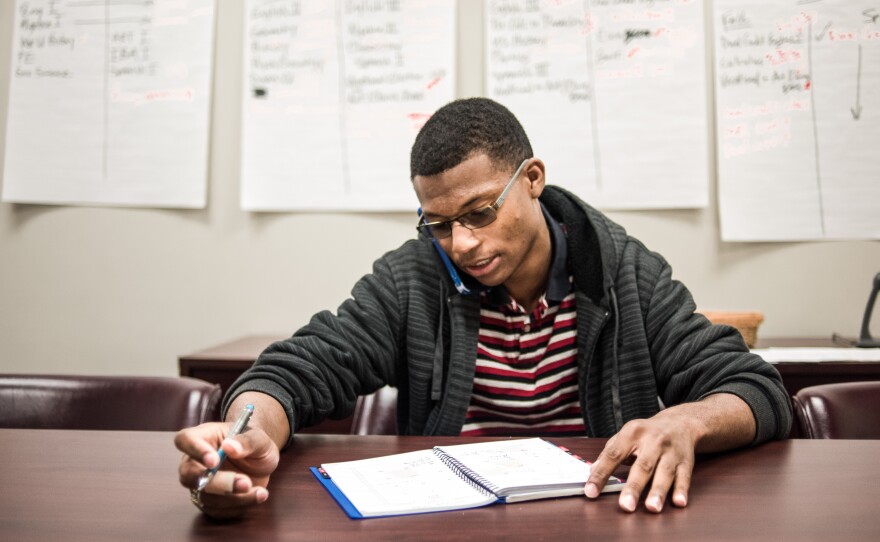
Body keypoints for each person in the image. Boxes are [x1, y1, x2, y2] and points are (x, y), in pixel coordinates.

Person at [175, 97, 791, 519]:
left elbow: (754, 390)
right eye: (439, 223)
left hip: (602, 516)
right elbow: (295, 371)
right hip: (450, 522)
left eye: (479, 213)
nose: (462, 243)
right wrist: (246, 432)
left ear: (532, 179)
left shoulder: (622, 270)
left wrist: (688, 420)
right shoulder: (413, 278)